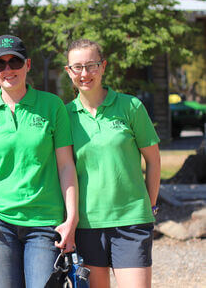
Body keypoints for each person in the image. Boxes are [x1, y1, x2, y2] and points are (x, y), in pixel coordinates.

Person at [0, 34, 79, 288]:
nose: (8, 70)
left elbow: (66, 166)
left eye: (15, 62)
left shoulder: (52, 106)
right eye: (0, 64)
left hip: (44, 222)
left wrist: (71, 219)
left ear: (28, 65)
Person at [64, 39, 161, 288]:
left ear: (103, 66)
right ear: (68, 71)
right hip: (86, 225)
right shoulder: (63, 116)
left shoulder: (131, 106)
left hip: (131, 221)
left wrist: (148, 206)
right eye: (77, 67)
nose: (84, 74)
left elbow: (153, 160)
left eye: (91, 65)